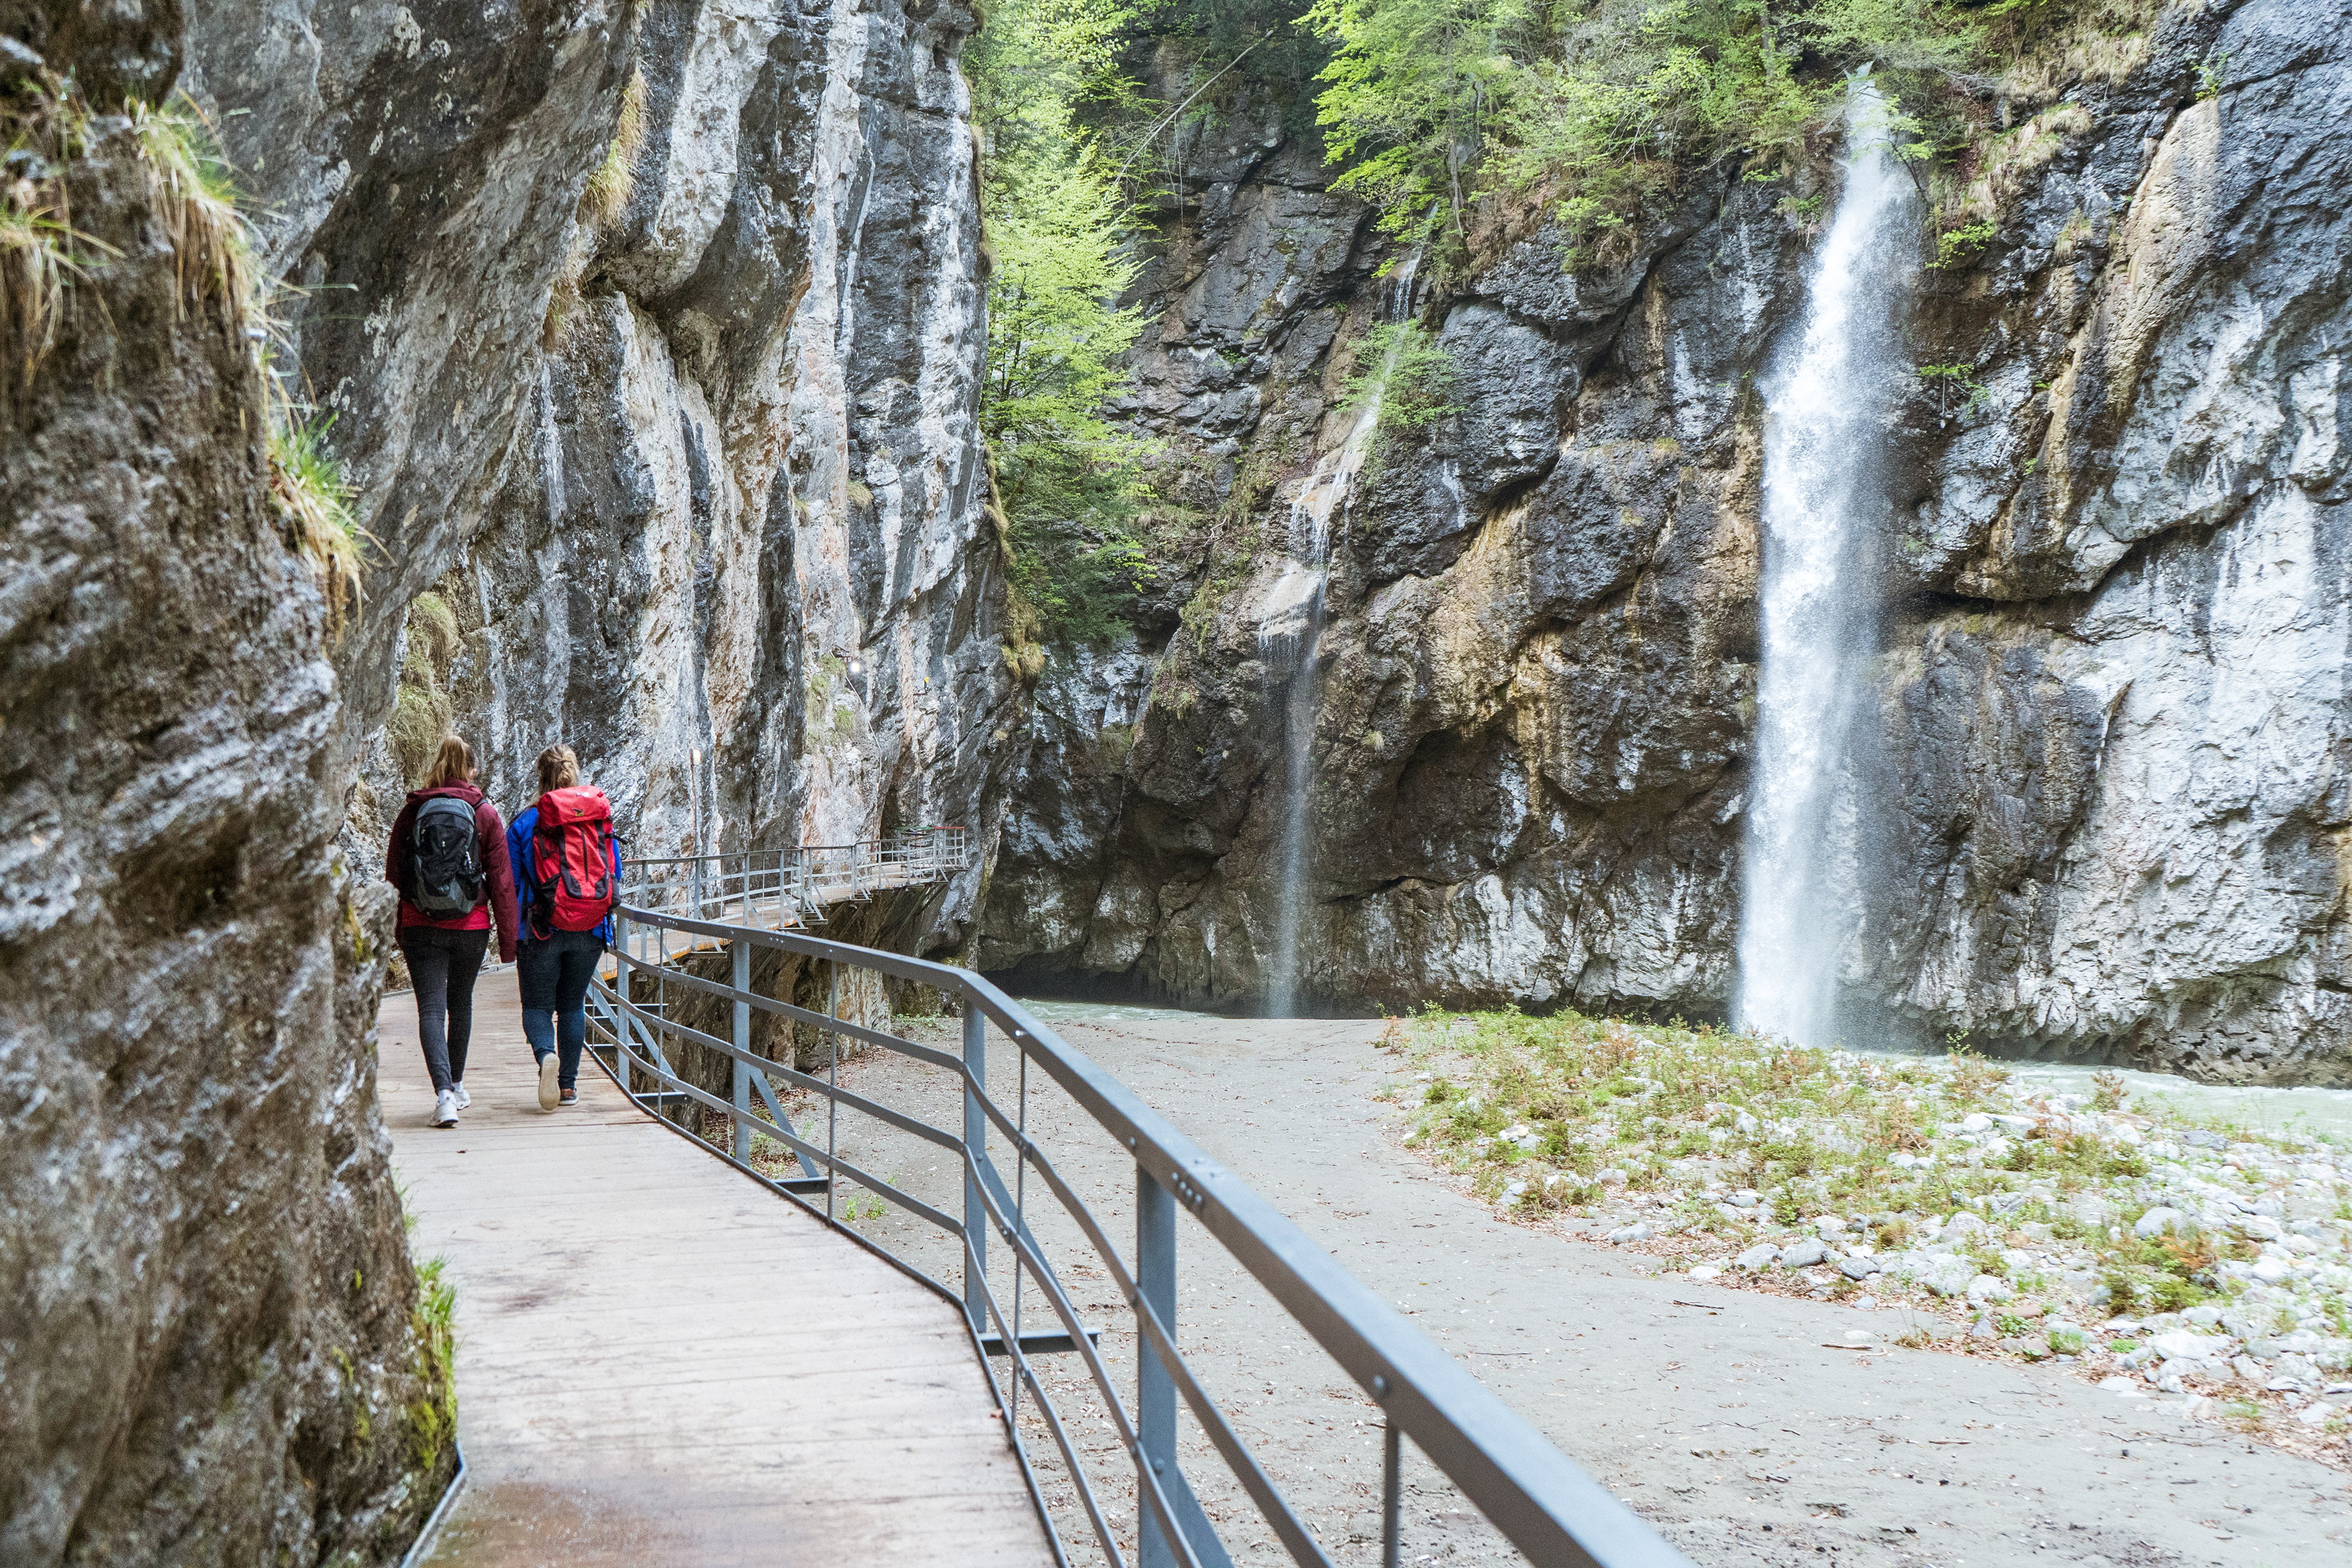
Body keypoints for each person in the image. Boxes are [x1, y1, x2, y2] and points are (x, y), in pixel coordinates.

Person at [386, 735, 519, 1128]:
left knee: (430, 1008)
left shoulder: (413, 812)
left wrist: (397, 926)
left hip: (419, 924)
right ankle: (457, 1085)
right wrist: (510, 944)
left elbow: (395, 874)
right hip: (471, 927)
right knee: (459, 1005)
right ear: (471, 771)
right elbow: (502, 881)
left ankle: (443, 1096)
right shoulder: (484, 814)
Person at [508, 745, 623, 1110]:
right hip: (590, 928)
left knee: (538, 1006)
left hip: (541, 929)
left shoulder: (526, 822)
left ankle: (546, 1057)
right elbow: (614, 875)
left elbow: (510, 882)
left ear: (540, 776)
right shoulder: (598, 822)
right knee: (573, 1005)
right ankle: (569, 1087)